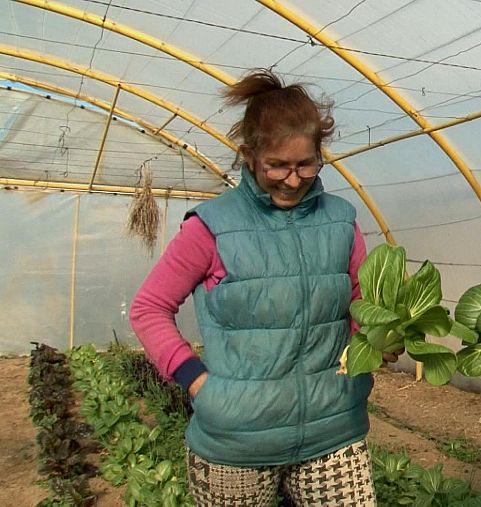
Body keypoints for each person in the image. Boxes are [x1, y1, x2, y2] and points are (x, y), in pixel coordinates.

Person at [130, 69, 393, 506]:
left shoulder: (340, 220)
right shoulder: (212, 226)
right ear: (249, 156)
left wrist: (377, 341)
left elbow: (362, 303)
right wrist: (196, 382)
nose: (293, 179)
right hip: (236, 444)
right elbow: (149, 308)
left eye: (306, 164)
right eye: (278, 165)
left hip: (334, 433)